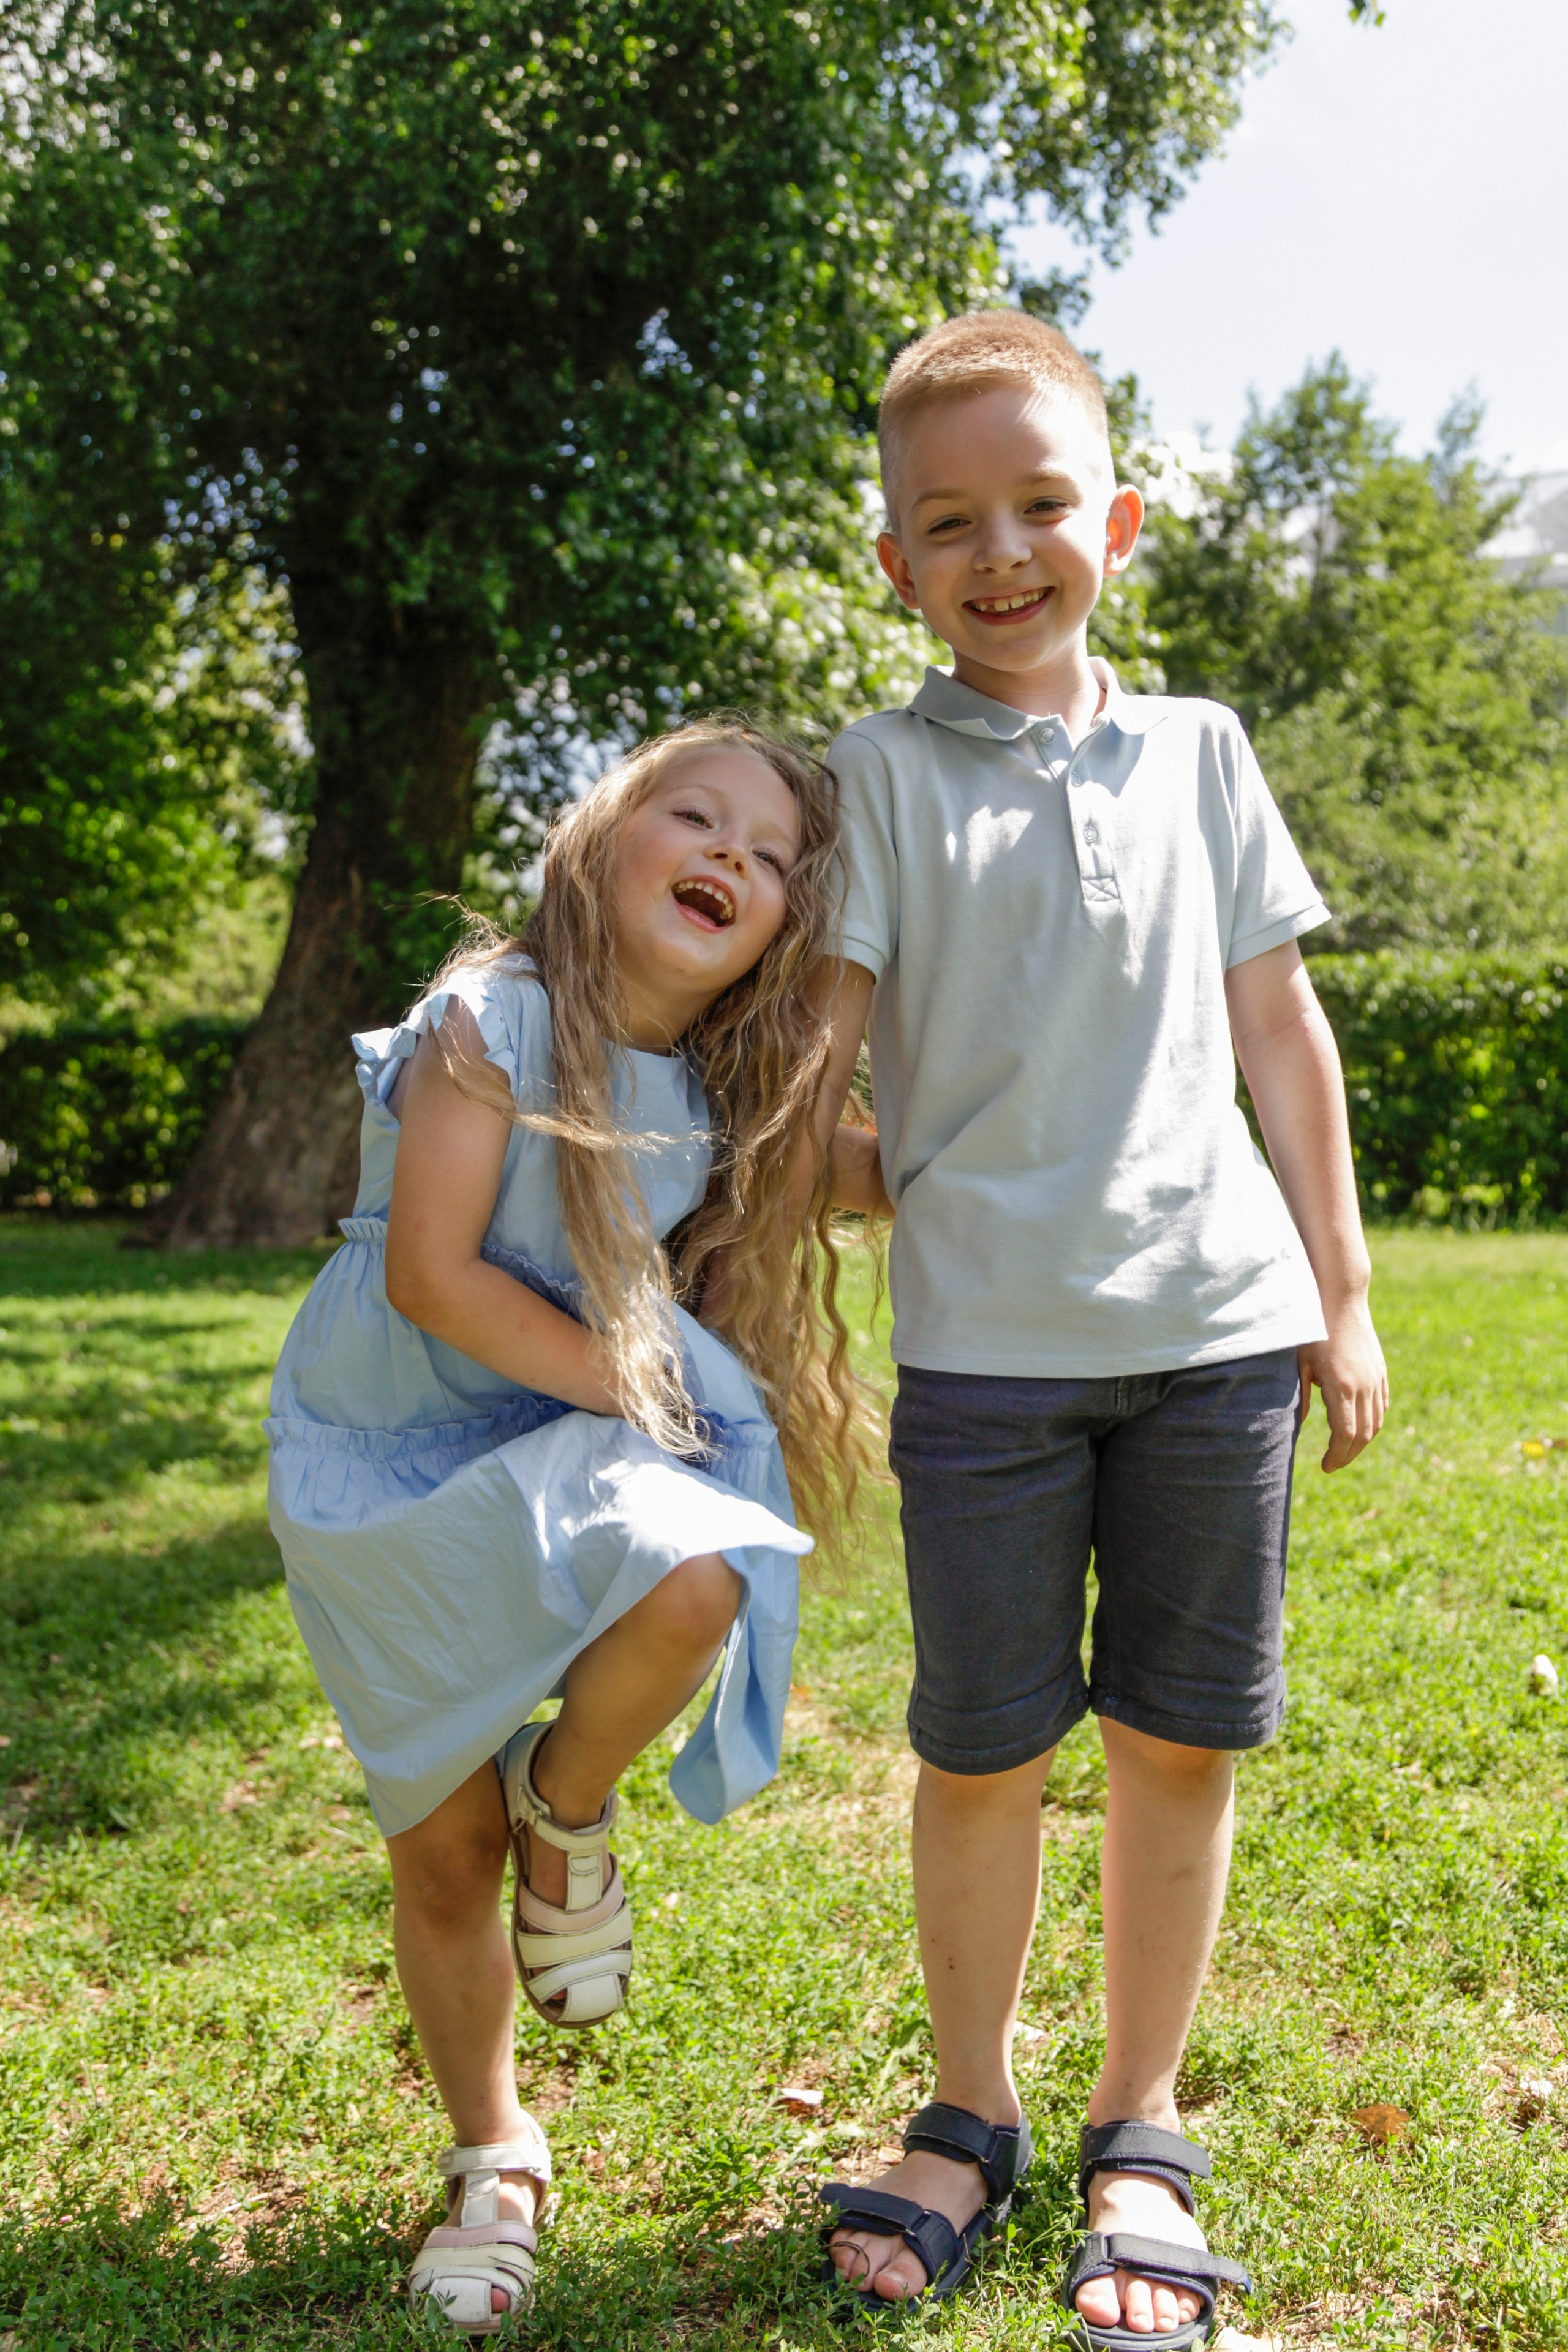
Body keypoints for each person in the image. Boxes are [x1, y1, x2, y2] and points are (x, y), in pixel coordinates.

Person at [813, 311, 1388, 2341]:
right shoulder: (869, 779)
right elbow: (826, 1065)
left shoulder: (1203, 750)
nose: (1001, 554)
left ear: (1116, 522)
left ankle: (1139, 2125)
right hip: (985, 1368)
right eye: (947, 521)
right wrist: (849, 1180)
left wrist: (1345, 1287)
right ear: (893, 560)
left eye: (1041, 507)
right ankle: (971, 2111)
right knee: (981, 1748)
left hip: (1218, 1339)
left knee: (1177, 1740)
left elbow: (1277, 1032)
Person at [266, 720, 872, 2335]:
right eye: (700, 817)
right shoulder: (495, 1020)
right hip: (384, 1452)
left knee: (701, 1578)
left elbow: (880, 1171)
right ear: (602, 846)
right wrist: (631, 1385)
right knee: (439, 1852)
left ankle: (567, 1798)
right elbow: (431, 1276)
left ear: (784, 929)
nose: (737, 855)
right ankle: (493, 2154)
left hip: (562, 1435)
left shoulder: (729, 1085)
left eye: (775, 858)